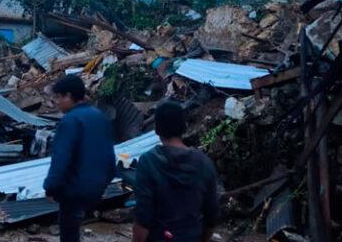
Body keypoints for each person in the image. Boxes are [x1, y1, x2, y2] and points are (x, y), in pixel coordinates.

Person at [132, 101, 222, 242]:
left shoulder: (148, 162)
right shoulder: (204, 163)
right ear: (184, 127)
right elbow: (212, 215)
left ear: (157, 130)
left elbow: (143, 218)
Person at [43, 75, 116, 242]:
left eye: (58, 97)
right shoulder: (99, 116)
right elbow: (109, 154)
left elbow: (60, 159)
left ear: (68, 96)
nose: (56, 102)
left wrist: (50, 187)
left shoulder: (70, 120)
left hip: (74, 189)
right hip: (97, 187)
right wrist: (105, 181)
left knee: (69, 232)